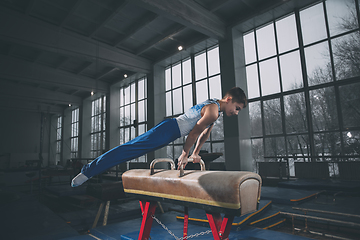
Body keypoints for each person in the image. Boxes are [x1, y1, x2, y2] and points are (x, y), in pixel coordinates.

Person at [71, 87, 247, 187]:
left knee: (131, 150)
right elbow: (193, 133)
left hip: (169, 131)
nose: (236, 113)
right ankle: (87, 171)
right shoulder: (213, 110)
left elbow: (203, 134)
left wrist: (196, 153)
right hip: (169, 129)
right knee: (129, 149)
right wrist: (185, 154)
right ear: (229, 98)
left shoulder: (215, 111)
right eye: (237, 108)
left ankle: (89, 171)